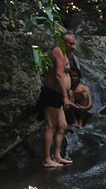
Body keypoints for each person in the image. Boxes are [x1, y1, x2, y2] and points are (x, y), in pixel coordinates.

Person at [37, 32, 77, 168]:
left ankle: (57, 156)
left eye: (74, 44)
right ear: (62, 42)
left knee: (63, 125)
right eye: (70, 43)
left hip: (58, 94)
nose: (73, 46)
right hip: (52, 93)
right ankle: (46, 159)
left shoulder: (65, 53)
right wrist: (65, 97)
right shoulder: (58, 52)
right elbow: (58, 75)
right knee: (51, 126)